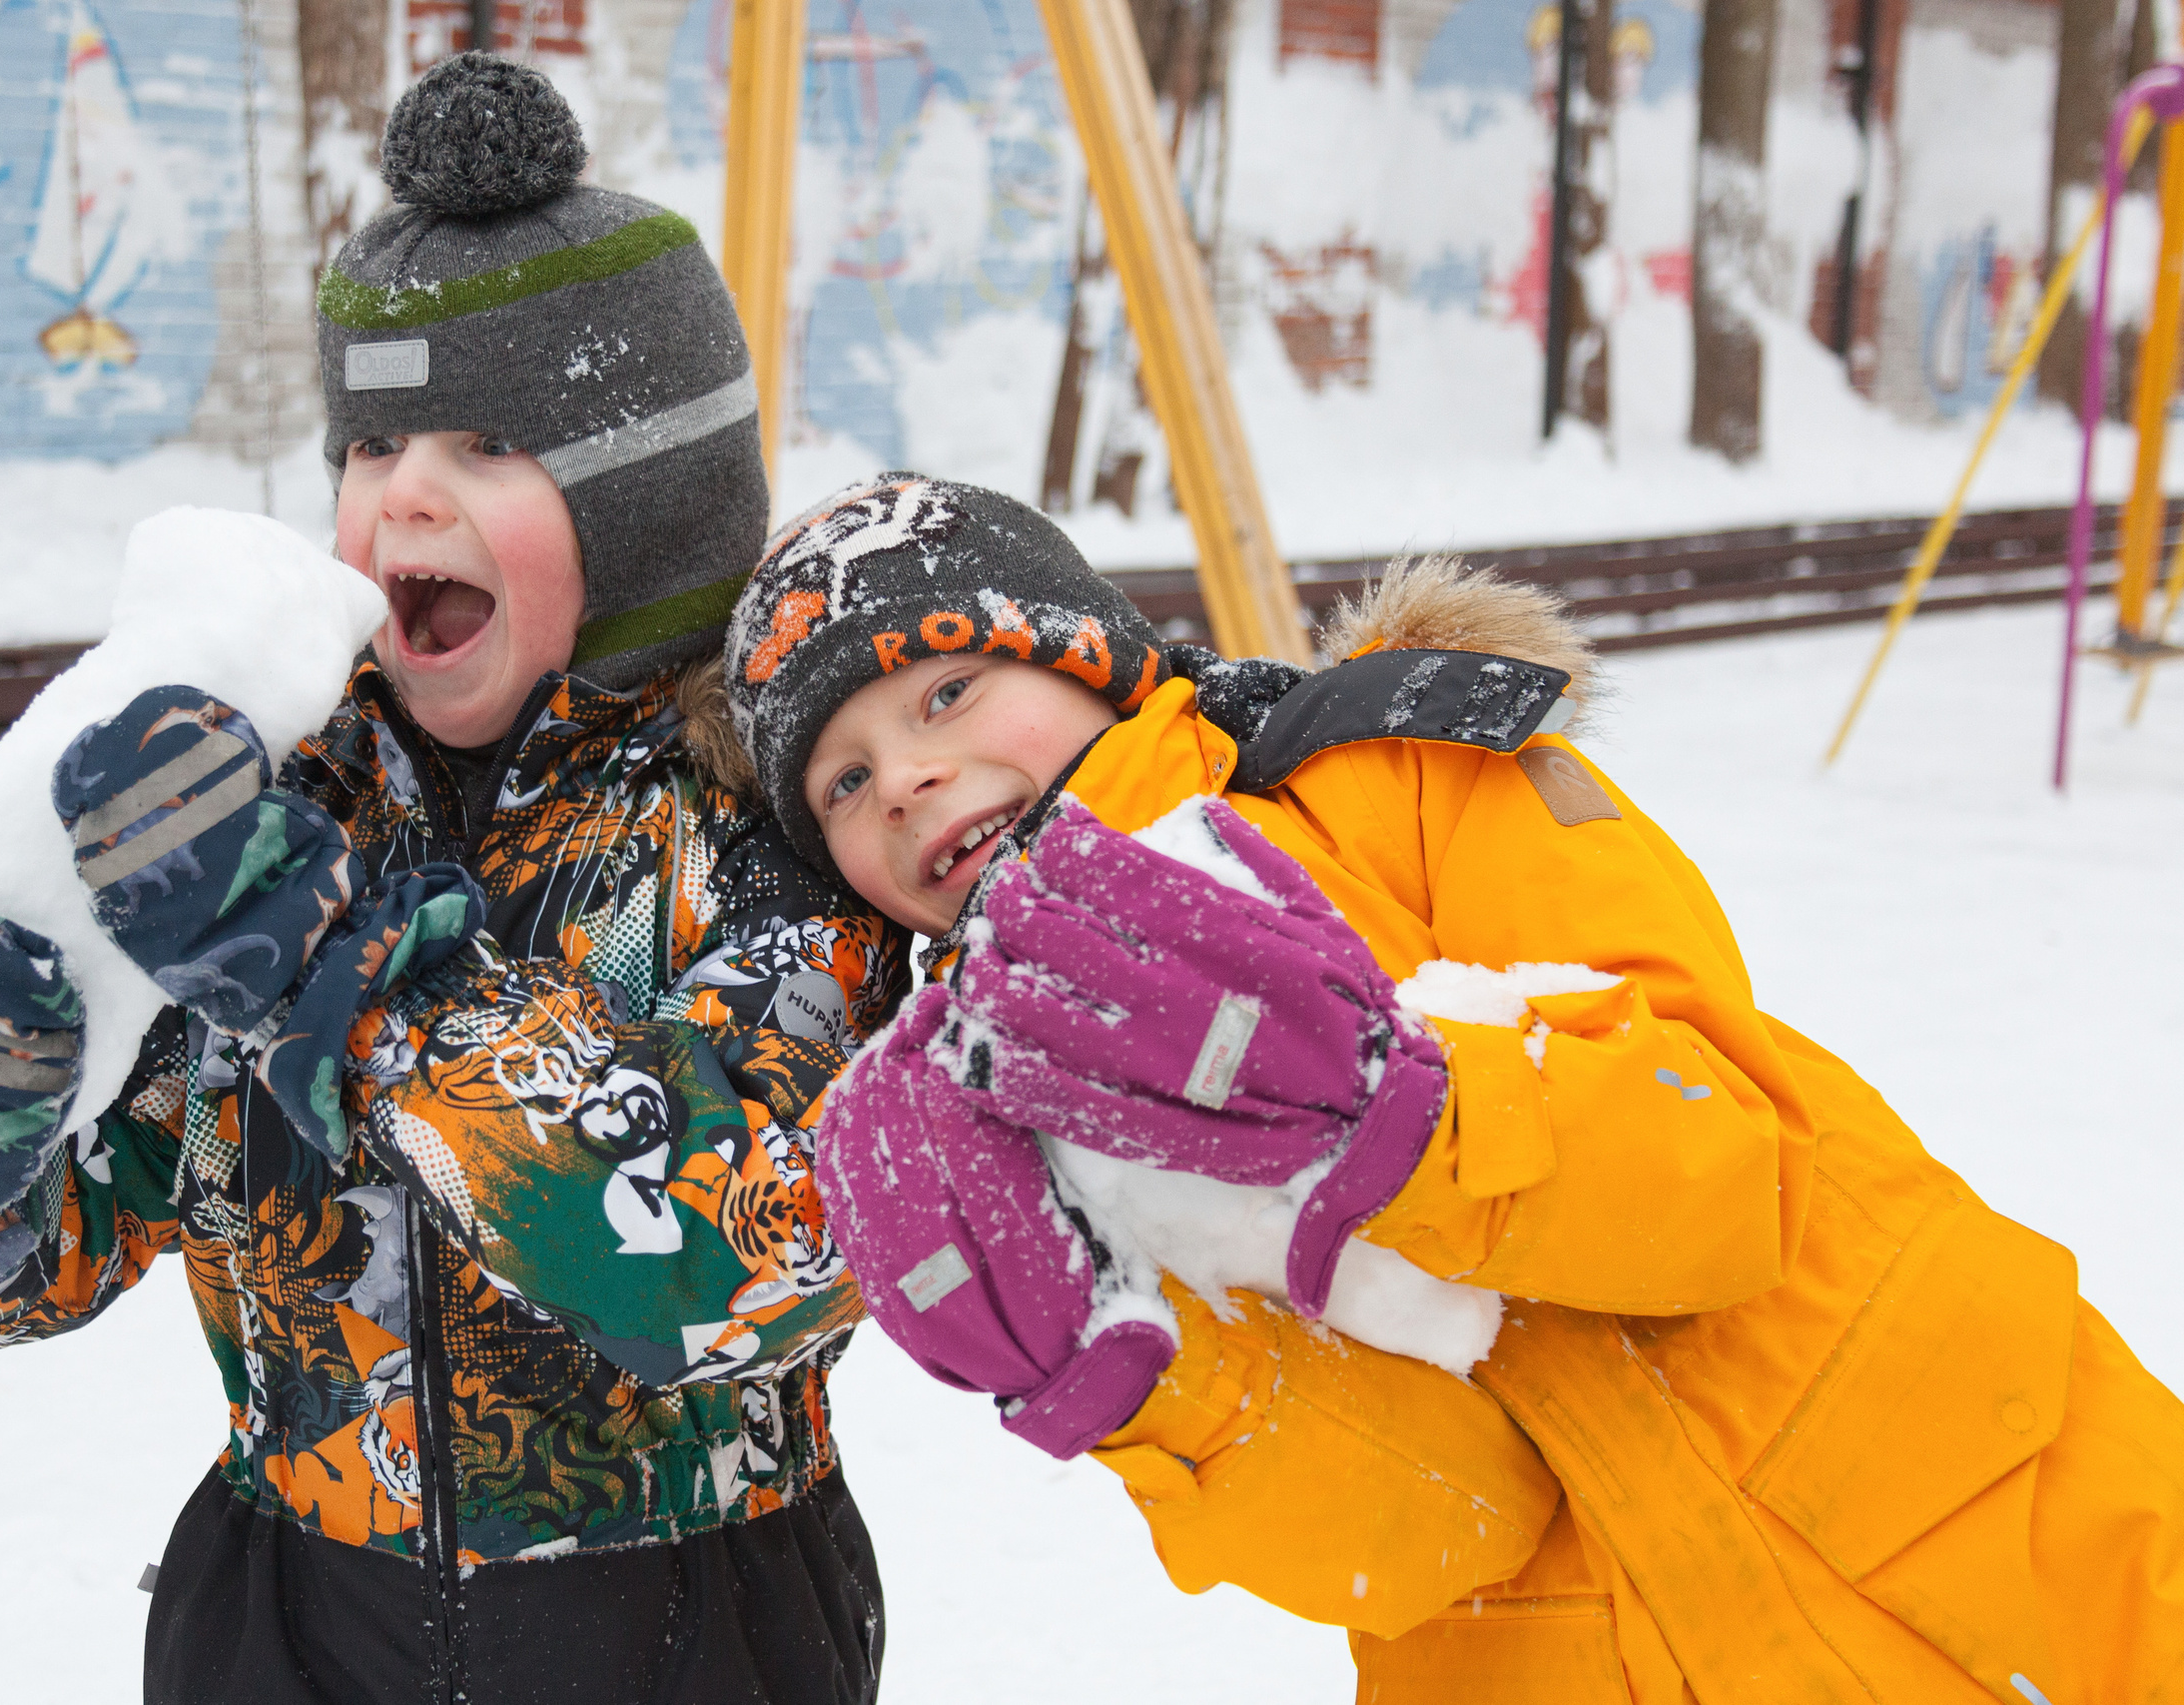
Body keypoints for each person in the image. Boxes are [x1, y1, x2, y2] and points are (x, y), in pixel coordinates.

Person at [0, 57, 904, 1705]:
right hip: (283, 1623)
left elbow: (748, 1269)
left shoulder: (776, 831)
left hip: (688, 1629)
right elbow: (59, 1248)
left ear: (648, 499)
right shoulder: (277, 816)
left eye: (490, 445)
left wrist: (356, 986)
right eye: (369, 444)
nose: (403, 494)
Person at [720, 471, 2184, 1702]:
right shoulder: (1028, 1128)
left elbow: (1731, 1166)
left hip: (2020, 1528)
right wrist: (1133, 1383)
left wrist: (1395, 1108)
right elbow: (1438, 1535)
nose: (904, 776)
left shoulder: (1404, 773)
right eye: (840, 783)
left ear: (1089, 656)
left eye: (950, 689)